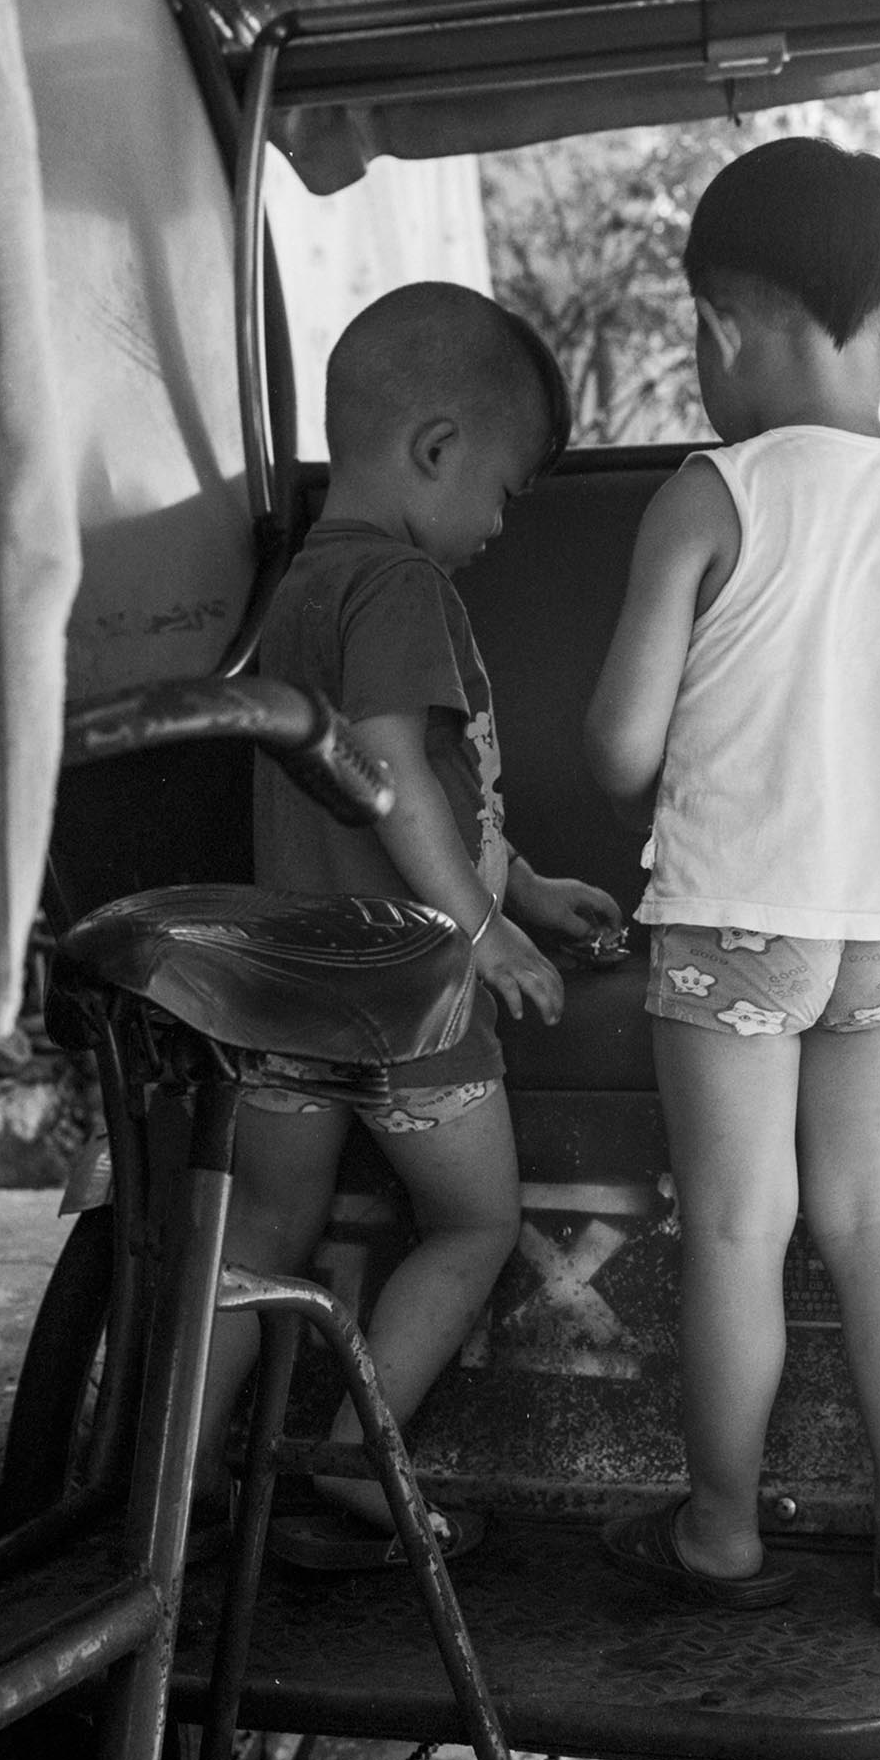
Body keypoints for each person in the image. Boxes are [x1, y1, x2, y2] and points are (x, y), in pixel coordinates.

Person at [584, 138, 880, 1625]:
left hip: (737, 918)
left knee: (737, 1227)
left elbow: (621, 751)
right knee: (876, 1219)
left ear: (716, 328)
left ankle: (720, 1531)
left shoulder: (710, 492)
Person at [197, 281, 622, 1567]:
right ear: (434, 448)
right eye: (500, 492)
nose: (497, 525)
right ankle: (356, 1460)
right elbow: (390, 770)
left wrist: (522, 884)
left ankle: (166, 1469)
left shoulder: (298, 585)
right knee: (474, 1223)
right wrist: (483, 928)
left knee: (257, 1233)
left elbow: (432, 794)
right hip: (403, 986)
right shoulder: (401, 586)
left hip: (281, 983)